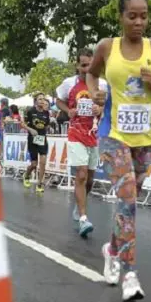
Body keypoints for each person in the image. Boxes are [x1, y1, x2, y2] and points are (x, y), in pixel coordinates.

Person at [86, 0, 151, 301]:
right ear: (121, 17)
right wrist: (95, 92)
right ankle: (130, 275)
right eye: (132, 16)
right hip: (113, 136)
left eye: (144, 16)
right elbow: (91, 74)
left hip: (145, 140)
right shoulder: (107, 47)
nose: (139, 22)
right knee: (128, 202)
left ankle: (111, 249)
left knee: (128, 203)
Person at [56, 48, 107, 238]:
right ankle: (84, 218)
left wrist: (99, 108)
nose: (87, 69)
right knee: (82, 174)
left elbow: (107, 106)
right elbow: (58, 100)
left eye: (91, 65)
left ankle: (79, 207)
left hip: (94, 135)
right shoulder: (69, 84)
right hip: (75, 134)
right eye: (84, 65)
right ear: (78, 65)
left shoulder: (102, 84)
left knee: (90, 179)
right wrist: (67, 110)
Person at [21, 92, 50, 193]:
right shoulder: (30, 111)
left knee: (43, 162)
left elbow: (46, 125)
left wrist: (43, 132)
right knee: (34, 164)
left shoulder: (46, 113)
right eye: (40, 99)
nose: (42, 101)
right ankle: (27, 175)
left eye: (43, 99)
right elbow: (22, 124)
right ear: (35, 101)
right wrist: (31, 130)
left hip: (42, 139)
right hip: (32, 140)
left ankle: (40, 184)